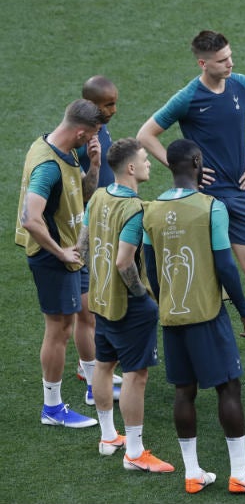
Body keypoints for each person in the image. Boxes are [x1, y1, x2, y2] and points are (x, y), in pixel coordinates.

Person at [137, 29, 245, 365]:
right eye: (221, 61)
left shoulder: (242, 85)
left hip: (239, 193)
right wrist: (183, 168)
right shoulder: (188, 97)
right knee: (203, 271)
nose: (230, 63)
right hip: (201, 200)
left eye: (230, 56)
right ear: (203, 63)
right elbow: (147, 134)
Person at [142, 139, 245, 493]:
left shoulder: (151, 210)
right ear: (198, 161)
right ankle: (239, 474)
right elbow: (226, 267)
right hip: (207, 315)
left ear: (170, 166)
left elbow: (151, 269)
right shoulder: (211, 207)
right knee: (228, 387)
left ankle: (193, 474)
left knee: (183, 392)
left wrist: (164, 300)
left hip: (172, 317)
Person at [77, 138, 173, 472]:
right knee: (136, 375)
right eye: (145, 159)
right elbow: (124, 263)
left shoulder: (99, 196)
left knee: (104, 365)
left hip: (100, 298)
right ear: (131, 168)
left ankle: (108, 437)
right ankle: (134, 452)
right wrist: (141, 296)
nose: (149, 164)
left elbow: (82, 244)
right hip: (127, 305)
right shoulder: (134, 209)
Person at [15, 99, 103, 428]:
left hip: (72, 252)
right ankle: (52, 408)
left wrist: (94, 164)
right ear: (80, 131)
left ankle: (96, 385)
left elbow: (81, 193)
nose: (92, 140)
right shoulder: (47, 166)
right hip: (53, 258)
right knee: (59, 330)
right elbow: (30, 219)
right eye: (92, 135)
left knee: (86, 313)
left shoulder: (65, 150)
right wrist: (61, 252)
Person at [76, 75, 124, 395]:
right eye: (108, 105)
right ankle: (89, 369)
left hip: (105, 221)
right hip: (87, 227)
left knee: (100, 295)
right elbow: (80, 192)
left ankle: (92, 363)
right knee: (87, 307)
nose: (114, 109)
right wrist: (94, 166)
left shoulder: (100, 128)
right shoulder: (79, 138)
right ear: (92, 105)